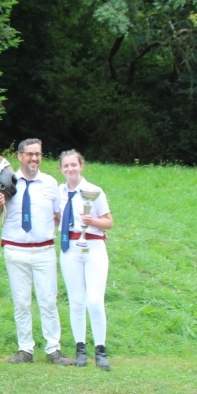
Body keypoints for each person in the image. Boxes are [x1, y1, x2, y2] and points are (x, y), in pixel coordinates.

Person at [0, 138, 75, 366]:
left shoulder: (50, 183)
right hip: (15, 250)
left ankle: (54, 349)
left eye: (38, 154)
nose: (34, 158)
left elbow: (60, 216)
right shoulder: (7, 181)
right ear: (20, 156)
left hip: (44, 250)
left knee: (48, 301)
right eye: (29, 154)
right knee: (21, 302)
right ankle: (25, 349)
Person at [58, 150, 114, 370]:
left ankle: (101, 350)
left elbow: (109, 221)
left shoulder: (94, 191)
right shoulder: (59, 192)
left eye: (74, 165)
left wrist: (93, 222)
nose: (70, 169)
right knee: (76, 301)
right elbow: (57, 216)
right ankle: (80, 349)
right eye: (66, 166)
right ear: (61, 169)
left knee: (95, 301)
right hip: (70, 248)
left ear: (81, 166)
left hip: (94, 246)